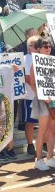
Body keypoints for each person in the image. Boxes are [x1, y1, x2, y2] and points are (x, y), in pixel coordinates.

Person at [29, 37, 55, 170]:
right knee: (42, 131)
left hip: (53, 101)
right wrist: (43, 96)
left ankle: (50, 157)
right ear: (39, 49)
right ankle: (38, 159)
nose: (48, 49)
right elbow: (33, 85)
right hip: (42, 100)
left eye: (49, 46)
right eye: (45, 47)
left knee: (52, 130)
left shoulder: (52, 62)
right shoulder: (35, 63)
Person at [21, 35, 40, 157]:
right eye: (35, 45)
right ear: (29, 47)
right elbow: (27, 78)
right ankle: (30, 145)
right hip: (30, 95)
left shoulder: (42, 57)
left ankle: (42, 143)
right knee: (30, 122)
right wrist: (37, 90)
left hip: (43, 95)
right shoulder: (25, 59)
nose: (38, 47)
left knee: (44, 121)